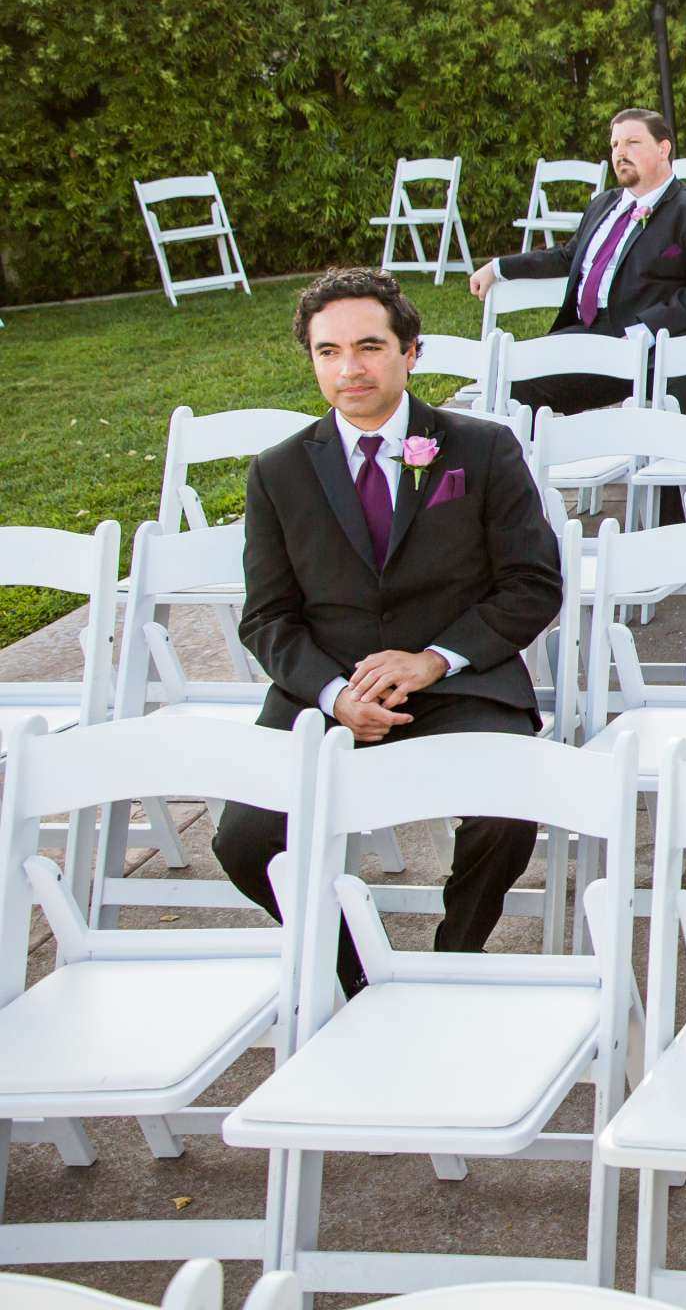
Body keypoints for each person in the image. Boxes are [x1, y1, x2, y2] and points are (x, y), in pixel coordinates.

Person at [219, 268, 561, 995]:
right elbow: (267, 617)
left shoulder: (482, 448)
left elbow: (533, 585)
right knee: (244, 840)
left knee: (508, 813)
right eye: (328, 351)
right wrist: (334, 692)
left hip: (458, 680)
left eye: (369, 346)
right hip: (328, 691)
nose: (349, 369)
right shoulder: (278, 472)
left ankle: (452, 958)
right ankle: (362, 976)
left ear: (411, 352)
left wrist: (435, 659)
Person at [466, 108, 686, 523]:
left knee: (666, 402)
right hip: (593, 335)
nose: (619, 153)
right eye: (614, 145)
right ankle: (528, 506)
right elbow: (566, 256)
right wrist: (499, 267)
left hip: (665, 341)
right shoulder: (604, 204)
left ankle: (668, 529)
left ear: (663, 149)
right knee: (513, 384)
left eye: (632, 143)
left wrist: (640, 331)